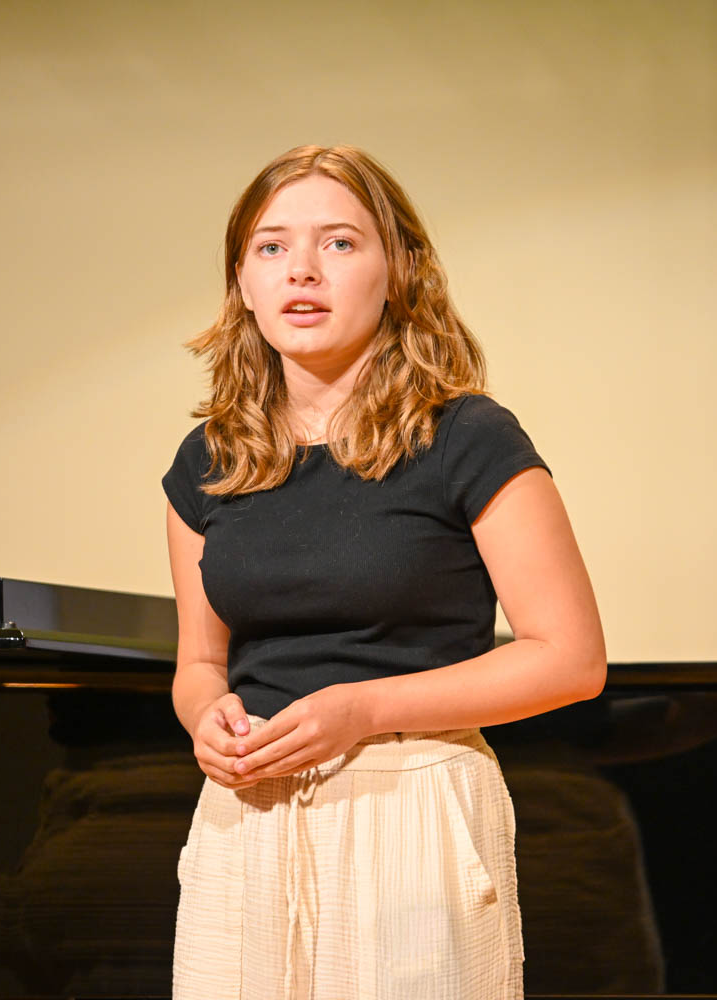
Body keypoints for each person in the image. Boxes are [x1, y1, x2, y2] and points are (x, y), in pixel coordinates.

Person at [161, 144, 606, 999]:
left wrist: (363, 709)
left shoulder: (469, 438)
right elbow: (201, 662)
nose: (302, 270)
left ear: (399, 271)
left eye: (338, 243)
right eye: (271, 247)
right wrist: (203, 717)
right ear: (243, 283)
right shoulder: (208, 459)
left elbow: (570, 660)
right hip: (244, 818)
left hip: (412, 806)